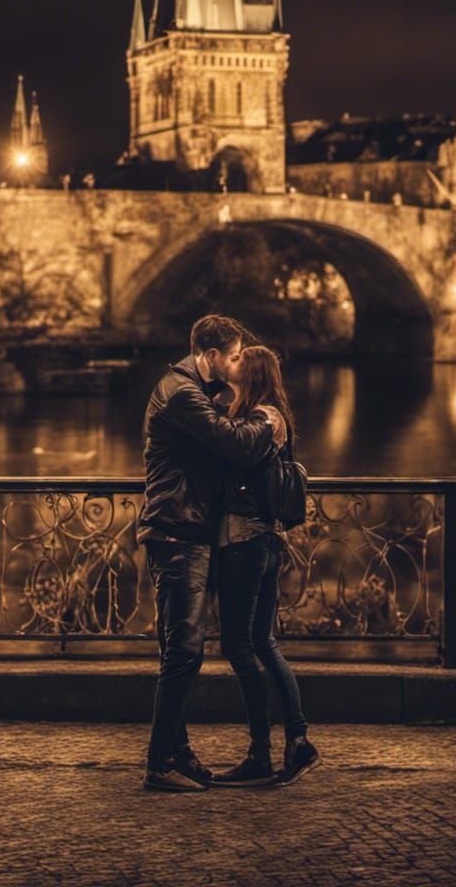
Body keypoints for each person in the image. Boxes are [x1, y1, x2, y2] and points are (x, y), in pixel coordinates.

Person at [139, 315, 286, 792]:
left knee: (179, 652)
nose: (241, 361)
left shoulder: (193, 392)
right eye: (237, 354)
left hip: (186, 529)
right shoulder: (182, 393)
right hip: (178, 531)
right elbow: (236, 446)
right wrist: (267, 418)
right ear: (213, 355)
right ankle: (161, 763)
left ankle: (179, 756)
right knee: (183, 652)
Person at [211, 345, 321, 788]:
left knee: (240, 645)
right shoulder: (262, 415)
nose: (228, 364)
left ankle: (262, 751)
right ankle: (296, 740)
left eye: (236, 361)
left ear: (252, 372)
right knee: (260, 641)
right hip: (260, 541)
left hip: (246, 541)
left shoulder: (263, 419)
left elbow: (234, 455)